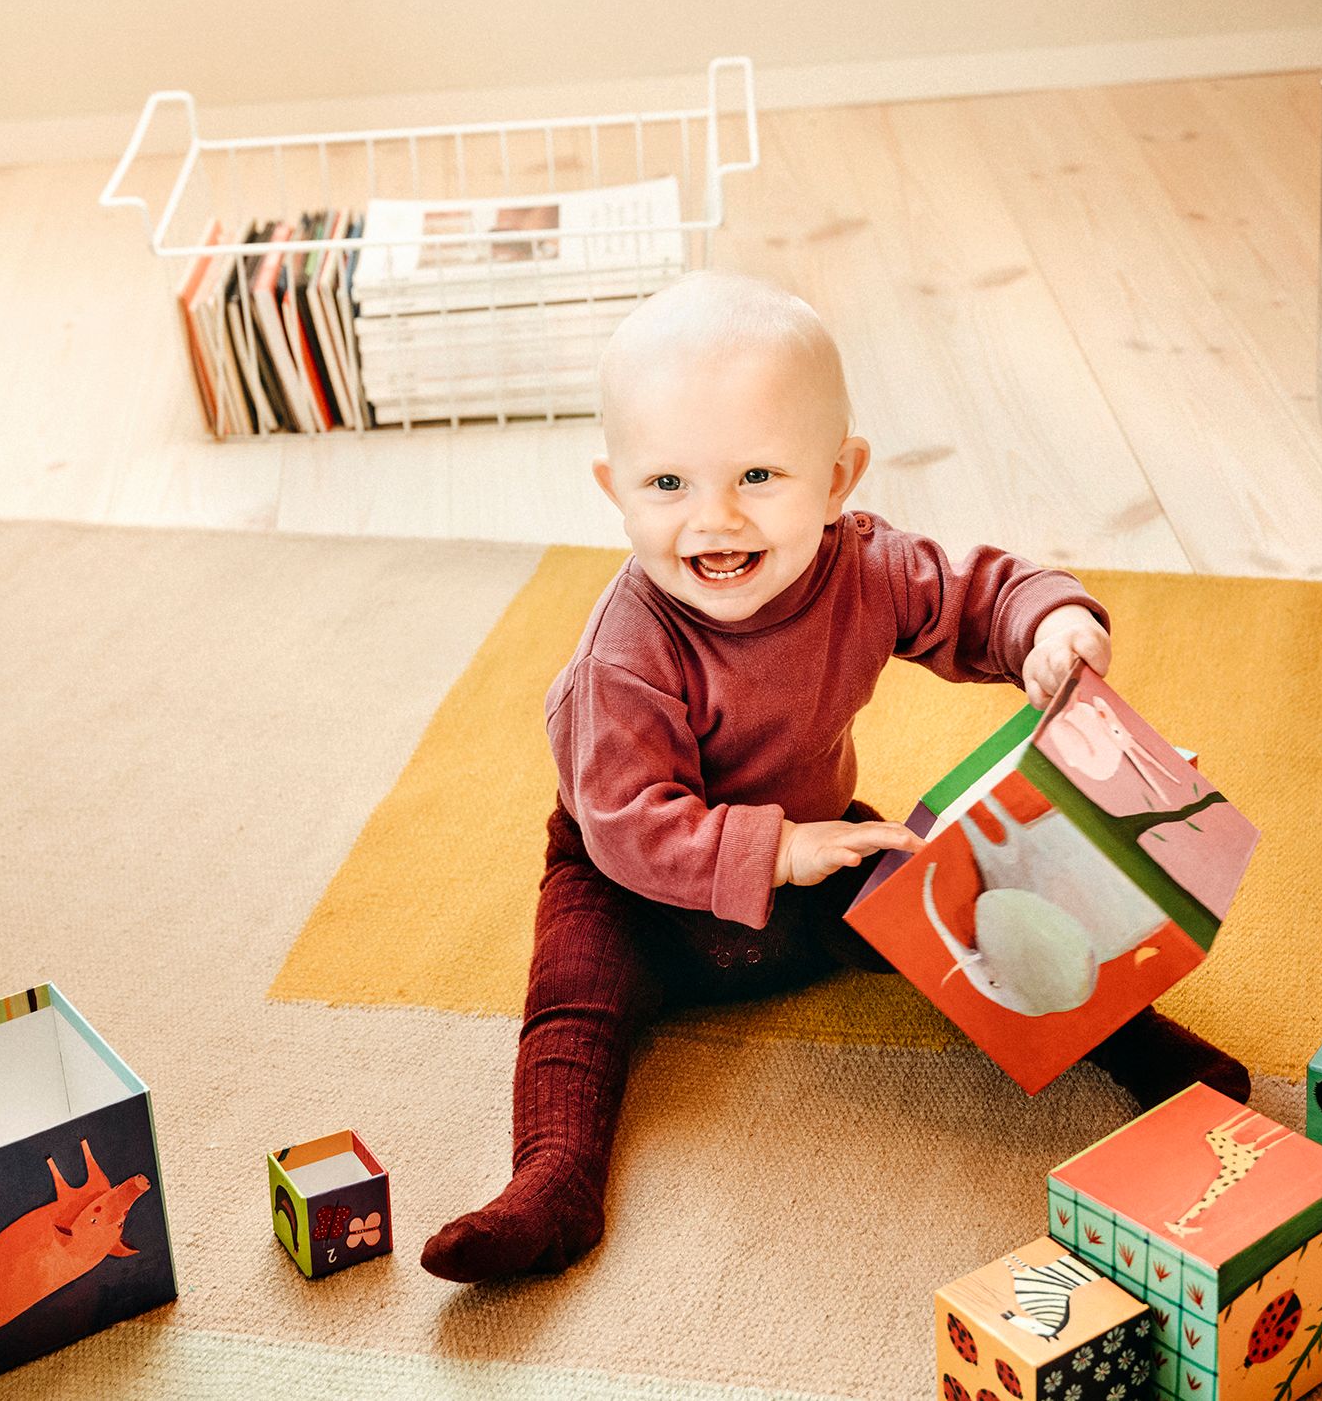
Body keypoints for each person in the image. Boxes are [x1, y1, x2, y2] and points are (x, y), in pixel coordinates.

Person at [421, 271, 1246, 1285]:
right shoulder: (621, 655)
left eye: (759, 476)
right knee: (571, 1003)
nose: (713, 521)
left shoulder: (867, 568)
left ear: (839, 475)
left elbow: (978, 592)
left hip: (822, 856)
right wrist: (778, 848)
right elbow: (624, 821)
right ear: (615, 489)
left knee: (958, 896)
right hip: (633, 890)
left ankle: (1137, 1045)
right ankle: (552, 1180)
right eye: (667, 484)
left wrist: (1050, 628)